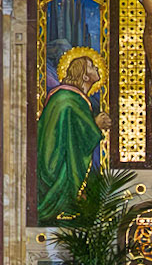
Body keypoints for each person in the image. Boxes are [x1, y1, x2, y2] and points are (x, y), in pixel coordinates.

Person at [35, 49, 109, 220]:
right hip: (55, 165)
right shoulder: (66, 98)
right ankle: (64, 204)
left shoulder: (75, 98)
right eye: (92, 66)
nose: (97, 69)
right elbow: (67, 133)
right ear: (84, 76)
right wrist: (95, 124)